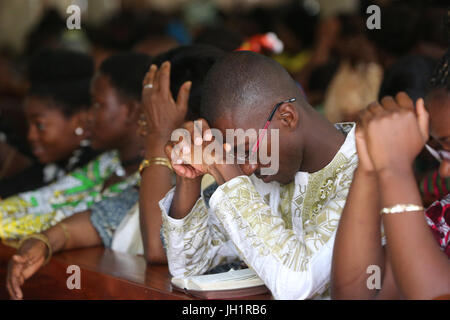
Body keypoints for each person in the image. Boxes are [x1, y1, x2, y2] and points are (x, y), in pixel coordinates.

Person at [5, 45, 225, 300]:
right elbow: (99, 220)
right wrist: (43, 242)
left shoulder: (219, 186)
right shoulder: (160, 179)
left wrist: (160, 137)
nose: (142, 127)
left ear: (195, 121)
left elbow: (157, 247)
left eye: (151, 117)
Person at [159, 51, 358, 299]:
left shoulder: (367, 170)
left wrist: (225, 168)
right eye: (235, 156)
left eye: (246, 151)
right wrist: (190, 175)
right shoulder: (263, 173)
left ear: (287, 117)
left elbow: (295, 285)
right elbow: (189, 268)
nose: (247, 168)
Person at [331, 50, 450, 300]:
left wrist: (394, 169)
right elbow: (360, 295)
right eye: (440, 151)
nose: (444, 170)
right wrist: (370, 167)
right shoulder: (444, 218)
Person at [0, 52, 148, 241]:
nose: (88, 116)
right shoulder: (107, 162)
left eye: (97, 105)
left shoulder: (149, 180)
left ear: (131, 111)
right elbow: (46, 199)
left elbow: (61, 220)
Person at [0, 49, 97, 198]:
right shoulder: (50, 166)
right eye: (28, 125)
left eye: (40, 125)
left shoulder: (97, 170)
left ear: (81, 121)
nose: (30, 136)